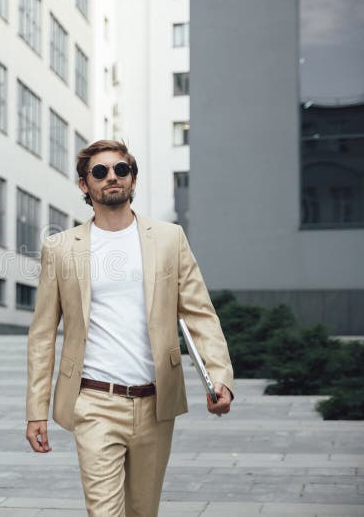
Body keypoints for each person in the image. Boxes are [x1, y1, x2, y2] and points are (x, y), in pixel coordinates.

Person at [25, 139, 234, 517]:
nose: (112, 178)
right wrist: (35, 410)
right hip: (93, 402)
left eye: (121, 169)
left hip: (156, 403)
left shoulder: (170, 238)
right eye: (100, 172)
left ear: (133, 179)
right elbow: (42, 335)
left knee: (143, 512)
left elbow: (200, 313)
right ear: (84, 186)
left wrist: (220, 375)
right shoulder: (60, 248)